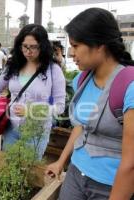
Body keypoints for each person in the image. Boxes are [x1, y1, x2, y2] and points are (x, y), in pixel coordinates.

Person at [45, 8, 134, 200]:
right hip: (76, 175)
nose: (72, 53)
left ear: (99, 45)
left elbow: (131, 162)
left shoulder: (129, 87)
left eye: (76, 46)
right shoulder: (82, 79)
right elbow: (81, 126)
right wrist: (61, 161)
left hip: (109, 186)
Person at [0, 24, 66, 159]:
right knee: (8, 170)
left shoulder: (53, 70)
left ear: (43, 46)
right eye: (25, 46)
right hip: (11, 129)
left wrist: (31, 110)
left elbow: (60, 106)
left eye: (33, 47)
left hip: (37, 133)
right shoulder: (13, 66)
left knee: (28, 173)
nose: (28, 51)